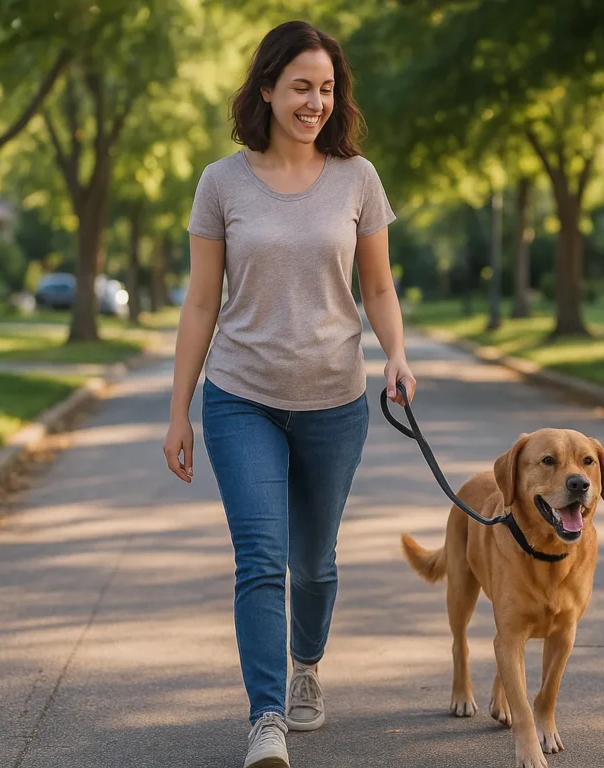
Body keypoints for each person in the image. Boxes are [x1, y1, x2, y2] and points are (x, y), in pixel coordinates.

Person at [161, 20, 416, 768]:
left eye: (327, 89)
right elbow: (201, 303)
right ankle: (266, 716)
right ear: (267, 89)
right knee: (262, 559)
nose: (315, 103)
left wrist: (397, 354)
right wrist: (179, 410)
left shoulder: (357, 178)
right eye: (301, 87)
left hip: (336, 401)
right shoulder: (222, 183)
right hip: (241, 396)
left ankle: (307, 668)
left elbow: (377, 285)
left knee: (315, 561)